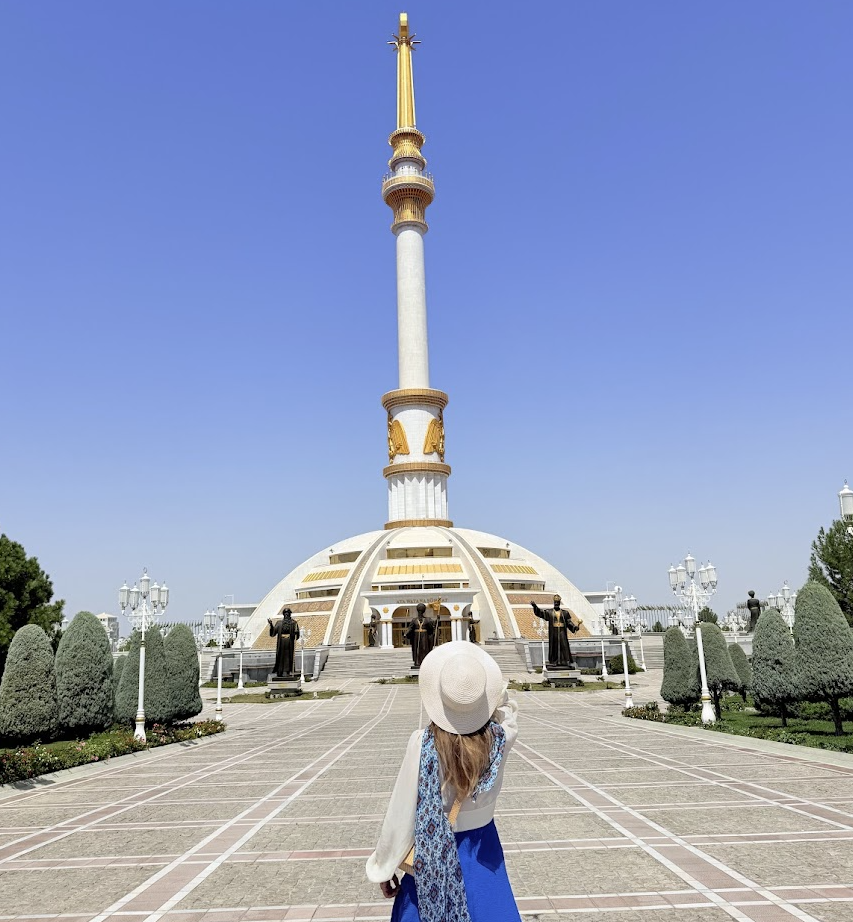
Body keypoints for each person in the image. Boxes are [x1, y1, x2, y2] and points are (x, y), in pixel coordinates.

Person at [366, 641, 521, 922]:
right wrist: (484, 691)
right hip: (482, 848)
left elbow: (401, 814)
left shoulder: (423, 744)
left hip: (431, 854)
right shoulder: (501, 739)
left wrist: (383, 867)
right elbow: (507, 707)